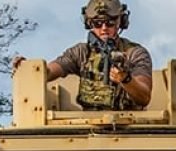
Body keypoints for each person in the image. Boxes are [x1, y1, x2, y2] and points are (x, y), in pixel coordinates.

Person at [12, 0, 152, 111]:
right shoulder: (81, 53)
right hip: (89, 124)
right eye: (98, 23)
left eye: (110, 23)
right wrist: (30, 69)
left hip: (130, 123)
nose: (104, 28)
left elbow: (144, 97)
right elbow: (50, 71)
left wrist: (126, 79)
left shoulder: (135, 53)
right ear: (89, 23)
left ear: (121, 21)